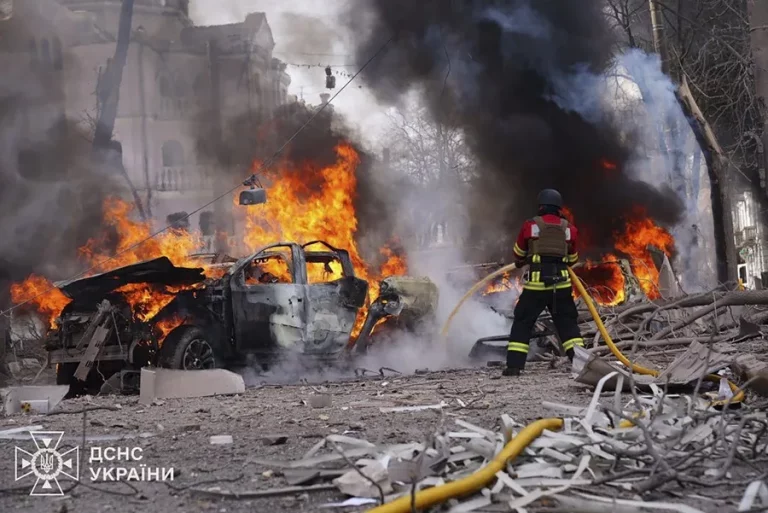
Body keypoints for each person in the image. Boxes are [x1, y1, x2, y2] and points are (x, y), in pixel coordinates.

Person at [504, 189, 585, 376]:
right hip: (561, 285)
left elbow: (518, 252)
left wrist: (527, 258)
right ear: (559, 208)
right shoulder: (569, 229)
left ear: (541, 206)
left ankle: (514, 367)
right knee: (567, 325)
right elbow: (573, 258)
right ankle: (581, 366)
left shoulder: (530, 225)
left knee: (523, 322)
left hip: (536, 286)